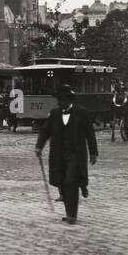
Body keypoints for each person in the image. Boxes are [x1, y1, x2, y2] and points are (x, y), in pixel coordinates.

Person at [36, 84, 98, 225]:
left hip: (75, 154)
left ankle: (72, 215)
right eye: (58, 100)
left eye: (61, 100)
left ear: (68, 100)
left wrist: (94, 153)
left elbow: (90, 134)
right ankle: (69, 210)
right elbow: (45, 131)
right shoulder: (55, 113)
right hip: (58, 155)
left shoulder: (82, 112)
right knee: (62, 182)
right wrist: (39, 146)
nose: (58, 102)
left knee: (71, 181)